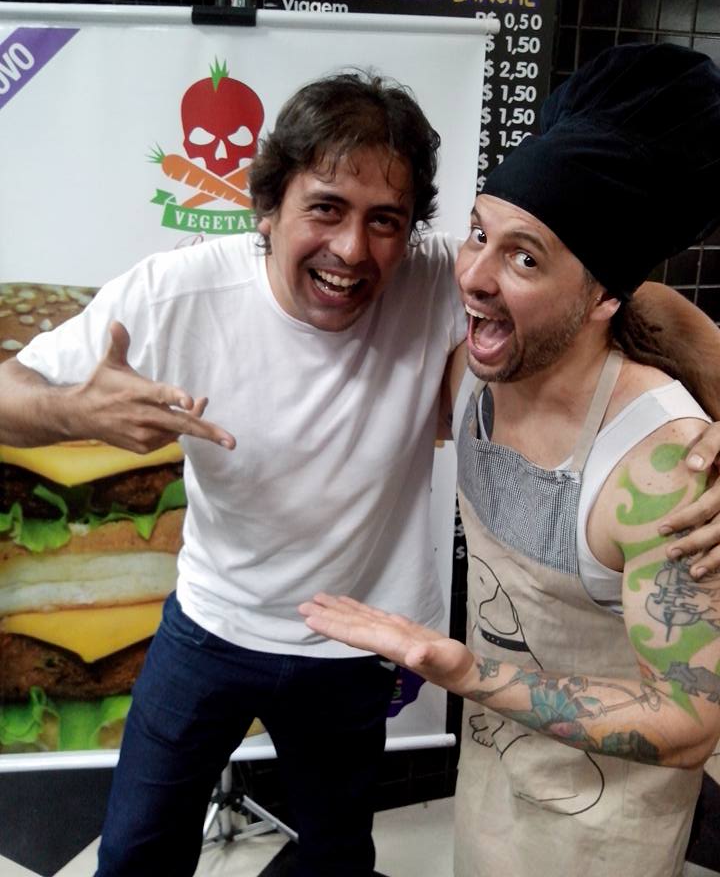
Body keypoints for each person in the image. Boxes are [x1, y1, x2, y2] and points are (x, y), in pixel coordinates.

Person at [0, 67, 718, 877]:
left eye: (385, 221)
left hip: (354, 641)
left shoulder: (440, 279)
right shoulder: (177, 293)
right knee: (135, 850)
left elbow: (636, 298)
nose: (352, 249)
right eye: (326, 208)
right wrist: (73, 412)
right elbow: (8, 392)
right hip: (210, 623)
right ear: (268, 207)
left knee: (337, 855)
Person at [301, 44, 720, 877]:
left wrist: (466, 670)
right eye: (478, 235)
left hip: (608, 832)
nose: (474, 277)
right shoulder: (474, 368)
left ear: (604, 297)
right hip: (495, 783)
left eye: (525, 258)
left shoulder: (659, 469)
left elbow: (690, 721)